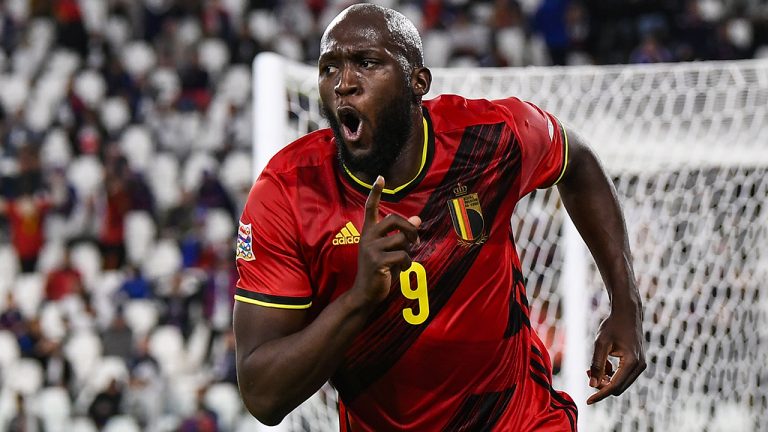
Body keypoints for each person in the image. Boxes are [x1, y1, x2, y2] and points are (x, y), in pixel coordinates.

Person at [234, 4, 646, 431]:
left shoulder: (490, 136)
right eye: (329, 68)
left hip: (519, 419)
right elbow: (263, 396)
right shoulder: (287, 193)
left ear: (418, 82)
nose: (344, 84)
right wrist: (359, 298)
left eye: (366, 63)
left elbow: (575, 160)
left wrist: (625, 301)